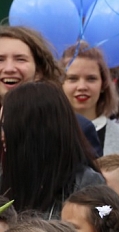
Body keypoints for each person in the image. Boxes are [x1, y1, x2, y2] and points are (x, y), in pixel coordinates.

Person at [0, 81, 104, 218]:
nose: (2, 136)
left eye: (5, 127)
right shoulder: (5, 178)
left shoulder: (86, 186)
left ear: (32, 132)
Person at [0, 26, 102, 156]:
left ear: (39, 70)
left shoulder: (75, 129)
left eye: (20, 59)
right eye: (0, 60)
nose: (9, 68)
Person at [61, 43, 119, 178]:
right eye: (73, 78)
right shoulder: (49, 131)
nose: (82, 86)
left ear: (104, 84)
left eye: (91, 79)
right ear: (60, 83)